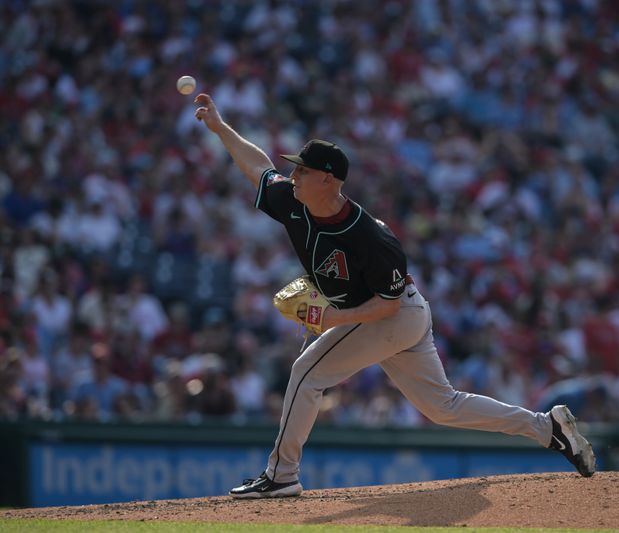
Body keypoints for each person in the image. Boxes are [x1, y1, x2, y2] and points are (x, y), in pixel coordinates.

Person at [193, 93, 596, 498]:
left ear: (328, 180)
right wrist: (221, 127)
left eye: (303, 170)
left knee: (306, 373)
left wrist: (329, 320)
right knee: (443, 406)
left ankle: (281, 475)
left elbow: (386, 304)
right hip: (394, 317)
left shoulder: (370, 236)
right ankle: (548, 428)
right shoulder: (294, 202)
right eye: (295, 169)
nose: (293, 176)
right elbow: (258, 168)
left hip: (394, 314)